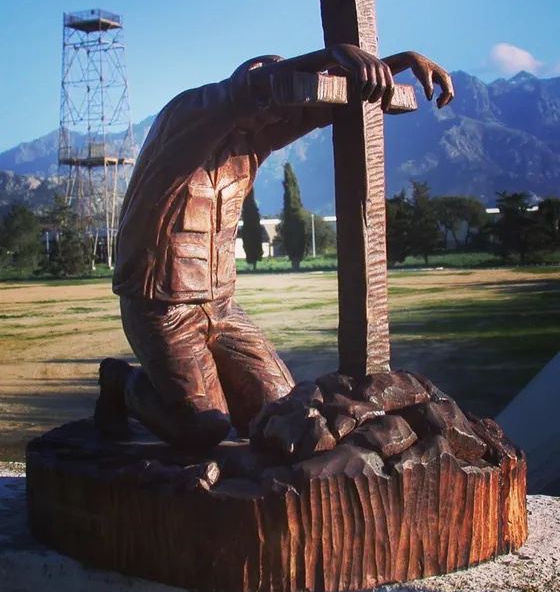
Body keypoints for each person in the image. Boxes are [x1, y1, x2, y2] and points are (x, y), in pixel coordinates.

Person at [95, 44, 454, 449]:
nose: (279, 118)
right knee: (203, 427)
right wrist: (335, 53)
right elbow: (259, 88)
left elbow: (326, 103)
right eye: (276, 100)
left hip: (221, 306)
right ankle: (123, 383)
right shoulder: (189, 114)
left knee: (280, 412)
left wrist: (396, 64)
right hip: (162, 306)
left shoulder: (252, 140)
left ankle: (208, 397)